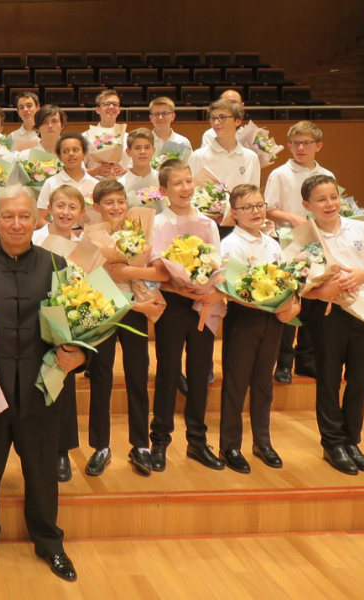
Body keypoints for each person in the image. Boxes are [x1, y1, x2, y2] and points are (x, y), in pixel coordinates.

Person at [0, 185, 85, 584]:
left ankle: (49, 542)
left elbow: (87, 321)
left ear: (38, 219)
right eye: (8, 216)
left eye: (24, 216)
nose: (16, 223)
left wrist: (81, 355)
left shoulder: (58, 264)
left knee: (43, 472)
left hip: (42, 388)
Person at [148, 160, 225, 472]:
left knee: (199, 372)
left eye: (189, 181)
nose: (186, 188)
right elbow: (155, 269)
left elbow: (218, 263)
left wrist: (209, 287)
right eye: (178, 183)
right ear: (164, 191)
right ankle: (160, 441)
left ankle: (197, 440)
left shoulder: (208, 223)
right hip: (173, 304)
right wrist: (180, 289)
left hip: (203, 303)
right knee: (167, 372)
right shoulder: (157, 223)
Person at [87, 179, 167, 477]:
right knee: (101, 377)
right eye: (109, 203)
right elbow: (89, 282)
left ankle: (140, 444)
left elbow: (158, 273)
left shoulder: (142, 233)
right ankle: (100, 446)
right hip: (105, 311)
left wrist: (129, 272)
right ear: (96, 207)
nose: (116, 208)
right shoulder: (91, 237)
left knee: (137, 375)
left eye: (121, 202)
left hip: (136, 309)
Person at [219, 184, 299, 473]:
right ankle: (229, 445)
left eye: (259, 205)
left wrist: (292, 304)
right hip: (244, 319)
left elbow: (288, 283)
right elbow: (233, 289)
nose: (255, 211)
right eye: (247, 207)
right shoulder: (231, 244)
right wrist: (271, 304)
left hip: (274, 321)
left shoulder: (273, 243)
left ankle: (262, 441)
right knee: (236, 383)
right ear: (235, 214)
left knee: (264, 383)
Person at [300, 174, 364, 476]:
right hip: (326, 314)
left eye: (333, 197)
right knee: (329, 378)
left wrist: (362, 276)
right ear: (307, 205)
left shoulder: (360, 228)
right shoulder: (304, 236)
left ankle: (351, 439)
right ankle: (333, 443)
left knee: (362, 378)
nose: (330, 204)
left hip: (363, 311)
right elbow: (299, 286)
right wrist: (323, 291)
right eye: (321, 199)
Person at [265, 121, 333, 383]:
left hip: (317, 243)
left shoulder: (327, 175)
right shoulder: (280, 174)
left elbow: (331, 206)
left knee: (313, 303)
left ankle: (307, 360)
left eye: (306, 143)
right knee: (289, 302)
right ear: (290, 145)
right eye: (296, 143)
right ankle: (283, 363)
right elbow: (269, 209)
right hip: (288, 243)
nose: (300, 148)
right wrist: (293, 218)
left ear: (318, 146)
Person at [29, 184, 85, 481]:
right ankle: (36, 448)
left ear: (81, 213)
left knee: (63, 384)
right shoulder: (34, 238)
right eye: (60, 206)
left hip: (67, 320)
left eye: (72, 207)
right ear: (48, 208)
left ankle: (62, 450)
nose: (65, 212)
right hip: (31, 318)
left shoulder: (85, 244)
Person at [188, 99, 261, 190]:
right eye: (213, 118)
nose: (216, 123)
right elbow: (192, 192)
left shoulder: (251, 157)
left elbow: (253, 194)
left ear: (237, 121)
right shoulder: (199, 156)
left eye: (222, 117)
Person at [36, 132, 98, 226]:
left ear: (84, 153)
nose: (71, 154)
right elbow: (40, 220)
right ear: (60, 157)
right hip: (59, 236)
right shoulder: (51, 183)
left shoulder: (95, 184)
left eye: (76, 150)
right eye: (65, 151)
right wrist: (60, 232)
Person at [84, 90, 129, 179]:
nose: (111, 107)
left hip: (121, 185)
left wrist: (124, 170)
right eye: (106, 104)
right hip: (94, 185)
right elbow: (76, 169)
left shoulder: (128, 137)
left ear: (119, 110)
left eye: (115, 104)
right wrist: (96, 171)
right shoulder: (85, 137)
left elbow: (136, 168)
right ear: (98, 110)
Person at [118, 128, 159, 206]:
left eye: (147, 147)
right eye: (137, 148)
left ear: (153, 150)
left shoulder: (161, 179)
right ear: (128, 152)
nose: (143, 152)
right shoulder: (121, 184)